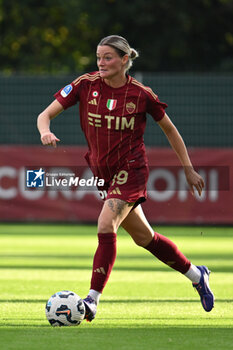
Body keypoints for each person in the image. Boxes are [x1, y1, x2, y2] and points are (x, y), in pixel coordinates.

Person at [37, 35, 214, 321]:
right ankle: (197, 275)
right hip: (103, 173)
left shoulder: (141, 94)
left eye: (107, 57)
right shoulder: (85, 85)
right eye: (98, 57)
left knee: (106, 224)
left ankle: (92, 300)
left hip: (131, 171)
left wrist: (188, 168)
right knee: (145, 238)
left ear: (124, 60)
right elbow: (44, 115)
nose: (101, 63)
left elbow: (170, 130)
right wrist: (44, 131)